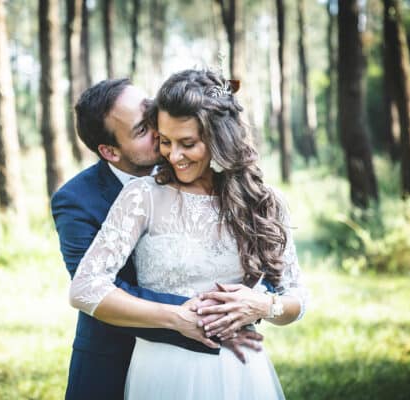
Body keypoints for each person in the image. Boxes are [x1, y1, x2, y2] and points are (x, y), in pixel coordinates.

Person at [69, 69, 309, 399]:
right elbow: (84, 287)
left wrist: (262, 306)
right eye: (165, 141)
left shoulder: (264, 201)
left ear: (219, 138)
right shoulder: (143, 196)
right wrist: (178, 318)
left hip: (240, 373)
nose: (172, 155)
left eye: (188, 144)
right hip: (161, 373)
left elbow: (296, 297)